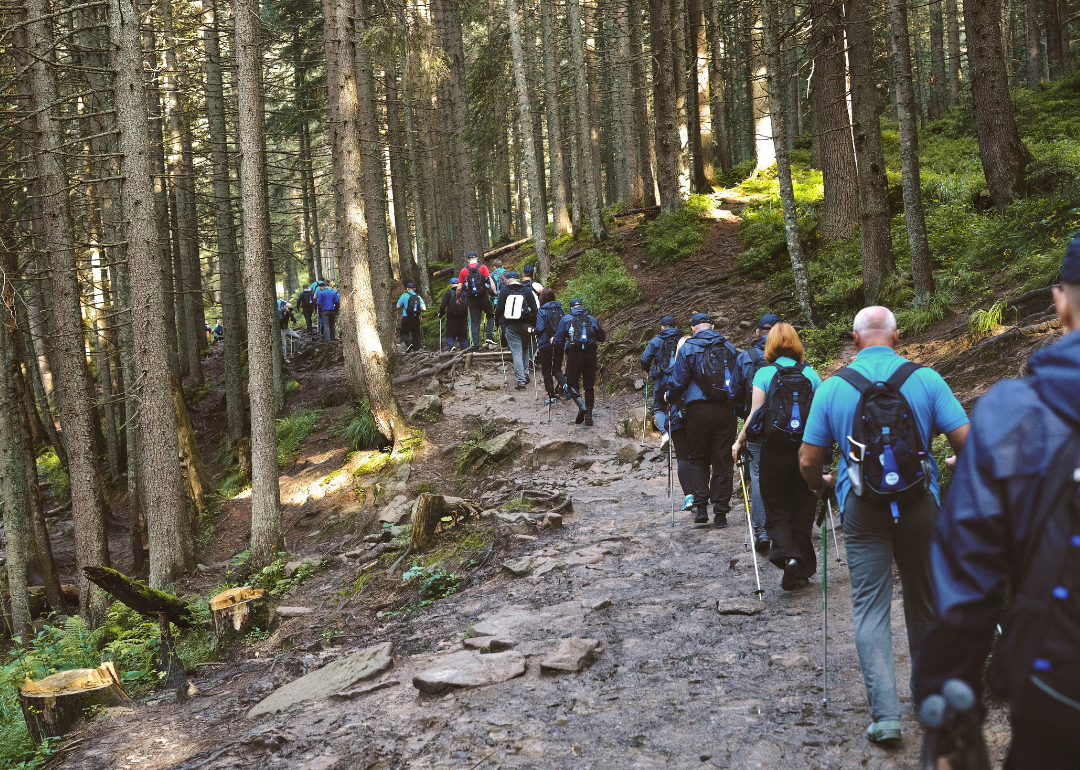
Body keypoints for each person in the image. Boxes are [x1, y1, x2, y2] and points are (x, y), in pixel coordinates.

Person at [912, 240, 1080, 767]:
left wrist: (948, 698)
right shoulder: (932, 383)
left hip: (1059, 689)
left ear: (1061, 302)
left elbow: (969, 572)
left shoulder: (1016, 413)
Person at [799, 306, 969, 745]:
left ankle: (885, 717)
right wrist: (956, 464)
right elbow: (968, 442)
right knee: (924, 602)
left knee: (870, 607)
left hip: (861, 509)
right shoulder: (926, 379)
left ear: (854, 339)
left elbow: (807, 457)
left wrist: (819, 484)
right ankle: (928, 699)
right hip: (920, 505)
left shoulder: (834, 386)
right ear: (897, 335)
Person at [732, 323, 822, 590]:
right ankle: (803, 567)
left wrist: (739, 441)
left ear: (770, 344)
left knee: (777, 506)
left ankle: (787, 555)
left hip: (774, 450)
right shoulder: (811, 374)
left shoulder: (764, 373)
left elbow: (754, 414)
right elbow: (818, 417)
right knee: (803, 506)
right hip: (805, 449)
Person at [664, 313, 741, 528]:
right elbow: (737, 379)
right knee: (722, 460)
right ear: (713, 326)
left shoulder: (688, 347)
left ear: (692, 329)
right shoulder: (729, 347)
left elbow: (678, 381)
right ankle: (721, 513)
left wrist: (669, 397)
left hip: (697, 409)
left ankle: (700, 508)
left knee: (697, 458)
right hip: (725, 409)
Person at [733, 313, 780, 552]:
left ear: (757, 332)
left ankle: (762, 530)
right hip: (788, 427)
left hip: (758, 427)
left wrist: (745, 420)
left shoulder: (746, 357)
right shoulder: (796, 361)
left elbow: (735, 393)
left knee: (759, 476)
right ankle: (786, 527)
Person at [554, 299, 606, 426]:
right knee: (589, 385)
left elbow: (558, 340)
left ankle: (581, 406)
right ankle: (589, 415)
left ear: (571, 307)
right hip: (590, 354)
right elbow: (602, 338)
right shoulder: (592, 319)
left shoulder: (566, 319)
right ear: (582, 306)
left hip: (574, 354)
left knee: (572, 383)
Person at [640, 316, 682, 449]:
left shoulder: (656, 341)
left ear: (661, 327)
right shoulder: (682, 341)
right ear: (675, 327)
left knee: (659, 408)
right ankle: (678, 437)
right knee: (678, 405)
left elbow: (645, 359)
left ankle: (665, 434)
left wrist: (646, 369)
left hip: (661, 379)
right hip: (679, 379)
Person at [494, 272, 538, 390]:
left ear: (508, 280)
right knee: (525, 348)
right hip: (526, 325)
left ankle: (521, 381)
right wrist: (533, 325)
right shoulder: (527, 290)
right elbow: (534, 309)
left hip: (510, 326)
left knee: (516, 353)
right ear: (518, 279)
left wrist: (497, 322)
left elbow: (499, 309)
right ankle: (526, 375)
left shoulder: (504, 291)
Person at [534, 287, 567, 405]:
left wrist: (533, 331)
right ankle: (565, 384)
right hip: (559, 342)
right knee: (556, 368)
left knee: (546, 370)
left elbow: (541, 327)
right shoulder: (561, 309)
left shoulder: (541, 311)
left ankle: (551, 396)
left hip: (545, 343)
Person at [458, 252, 498, 350]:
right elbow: (490, 281)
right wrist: (495, 292)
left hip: (471, 300)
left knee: (474, 322)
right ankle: (489, 336)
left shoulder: (463, 271)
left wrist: (458, 298)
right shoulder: (483, 267)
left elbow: (459, 287)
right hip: (484, 297)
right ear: (476, 258)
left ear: (468, 260)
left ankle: (475, 346)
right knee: (490, 315)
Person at [439, 279, 470, 351]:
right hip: (463, 317)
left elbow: (443, 305)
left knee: (449, 335)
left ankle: (452, 346)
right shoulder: (464, 293)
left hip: (452, 317)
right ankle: (464, 351)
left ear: (451, 284)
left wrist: (440, 313)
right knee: (463, 337)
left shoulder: (448, 293)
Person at [396, 282, 426, 352]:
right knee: (416, 335)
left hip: (406, 317)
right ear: (414, 289)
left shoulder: (404, 295)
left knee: (403, 333)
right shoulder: (418, 297)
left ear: (407, 289)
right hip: (415, 318)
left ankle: (409, 344)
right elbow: (424, 308)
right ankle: (418, 350)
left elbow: (398, 306)